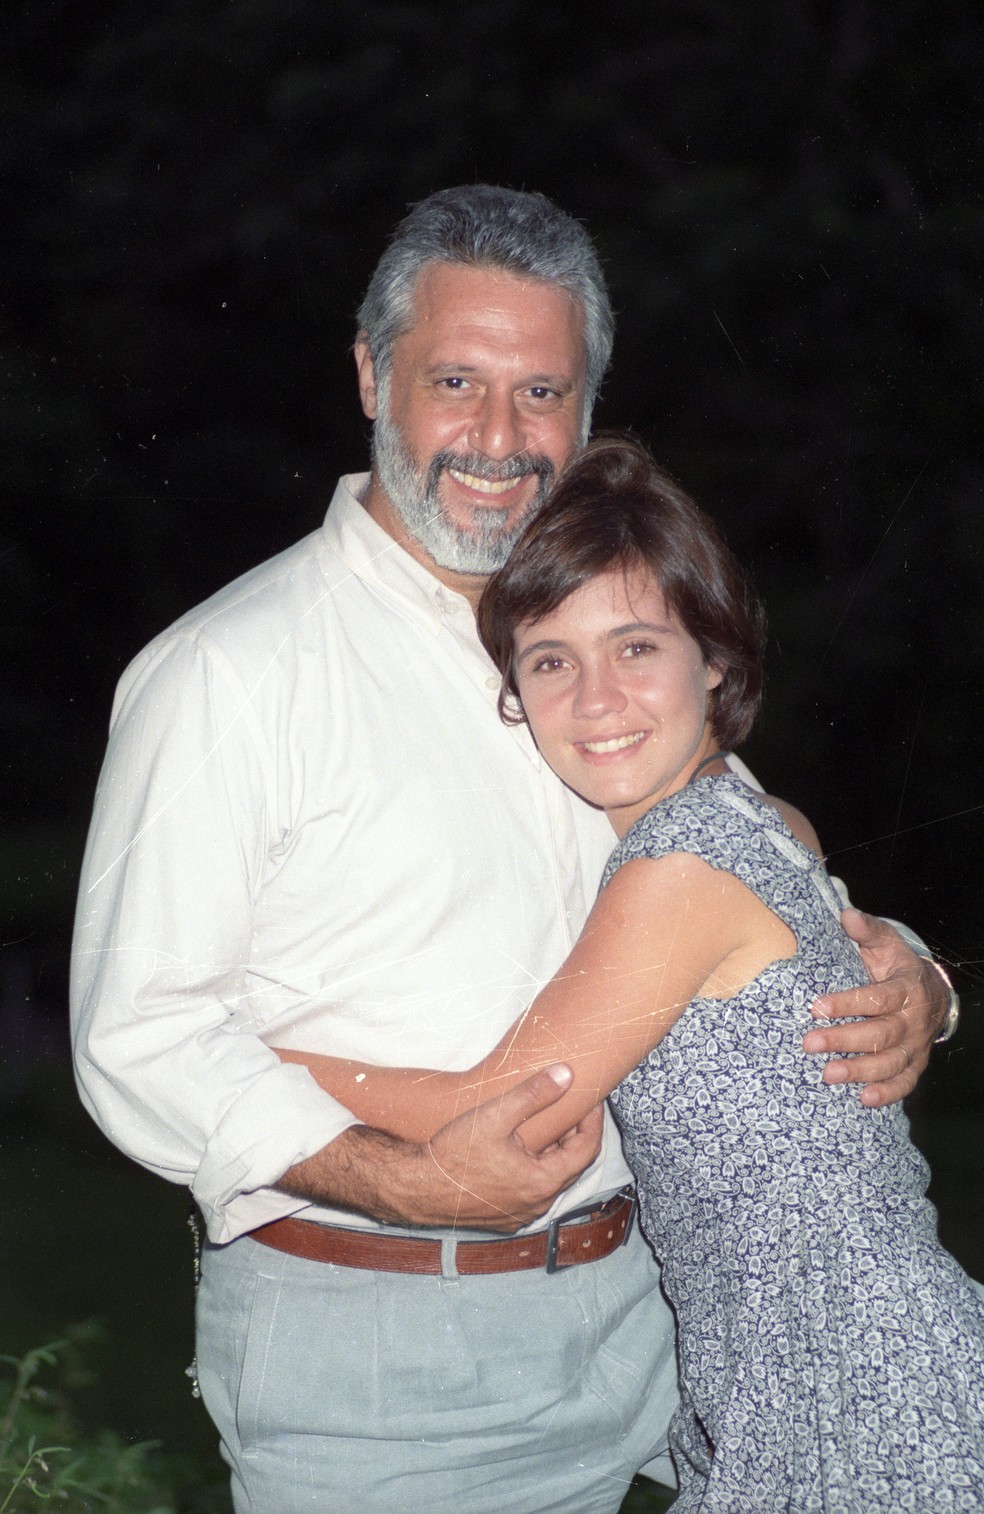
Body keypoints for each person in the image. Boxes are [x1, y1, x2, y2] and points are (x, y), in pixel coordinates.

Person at [70, 186, 955, 1514]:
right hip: (387, 1354)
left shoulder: (600, 639)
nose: (497, 437)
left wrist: (922, 983)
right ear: (371, 374)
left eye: (542, 392)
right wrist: (398, 1172)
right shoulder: (228, 674)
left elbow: (759, 860)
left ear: (589, 405)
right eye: (456, 382)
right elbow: (137, 1033)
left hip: (665, 1327)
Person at [286, 435, 984, 1511]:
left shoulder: (678, 870)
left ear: (713, 656)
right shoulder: (766, 818)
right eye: (551, 658)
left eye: (636, 646)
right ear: (515, 688)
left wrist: (259, 1052)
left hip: (853, 1384)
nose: (596, 696)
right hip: (829, 1359)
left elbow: (493, 1106)